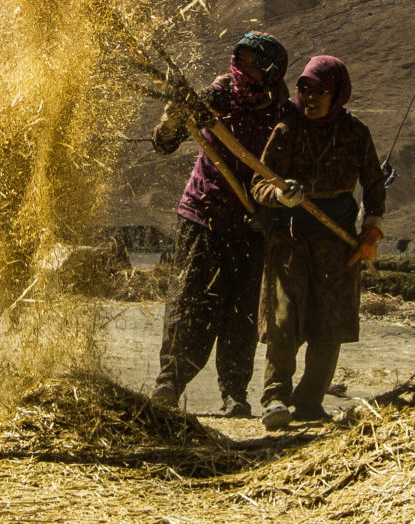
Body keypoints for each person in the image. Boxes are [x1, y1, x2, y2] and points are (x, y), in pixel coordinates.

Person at [150, 32, 290, 417]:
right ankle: (169, 384)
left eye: (254, 65)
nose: (244, 70)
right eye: (240, 61)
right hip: (202, 216)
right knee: (189, 303)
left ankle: (234, 393)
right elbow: (163, 143)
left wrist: (272, 210)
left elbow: (288, 171)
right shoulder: (213, 99)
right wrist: (174, 114)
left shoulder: (282, 114)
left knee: (240, 313)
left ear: (272, 73)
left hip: (251, 225)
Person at [251, 55, 385, 430]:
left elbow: (374, 185)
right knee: (284, 317)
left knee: (329, 322)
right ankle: (275, 398)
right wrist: (279, 195)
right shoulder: (285, 128)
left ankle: (309, 401)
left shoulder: (356, 132)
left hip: (336, 241)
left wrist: (371, 232)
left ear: (337, 94)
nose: (309, 97)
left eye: (319, 91)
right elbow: (258, 182)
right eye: (304, 89)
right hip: (289, 239)